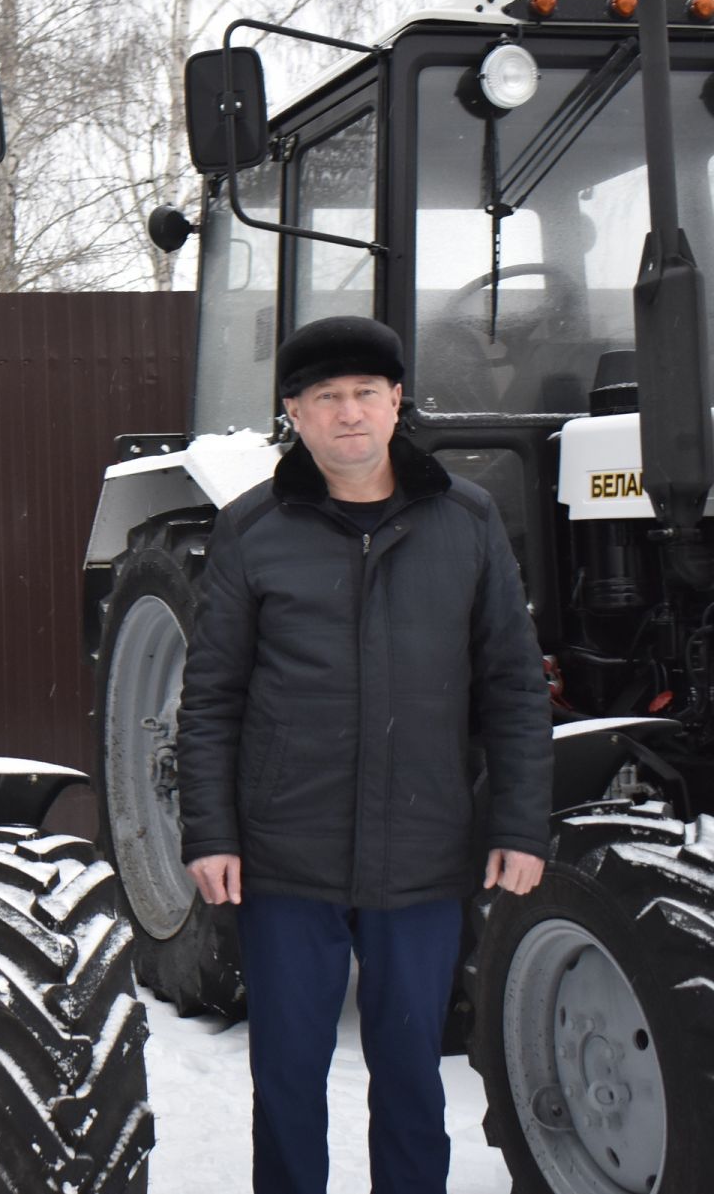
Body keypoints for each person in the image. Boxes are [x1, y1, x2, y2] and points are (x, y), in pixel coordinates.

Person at [175, 315, 552, 1194]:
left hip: (423, 849)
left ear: (396, 403)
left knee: (415, 1076)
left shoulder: (466, 519)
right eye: (327, 398)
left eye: (366, 395)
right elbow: (213, 695)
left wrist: (520, 823)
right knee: (290, 1080)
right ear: (295, 414)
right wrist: (210, 831)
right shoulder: (252, 529)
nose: (350, 414)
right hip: (284, 853)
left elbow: (511, 684)